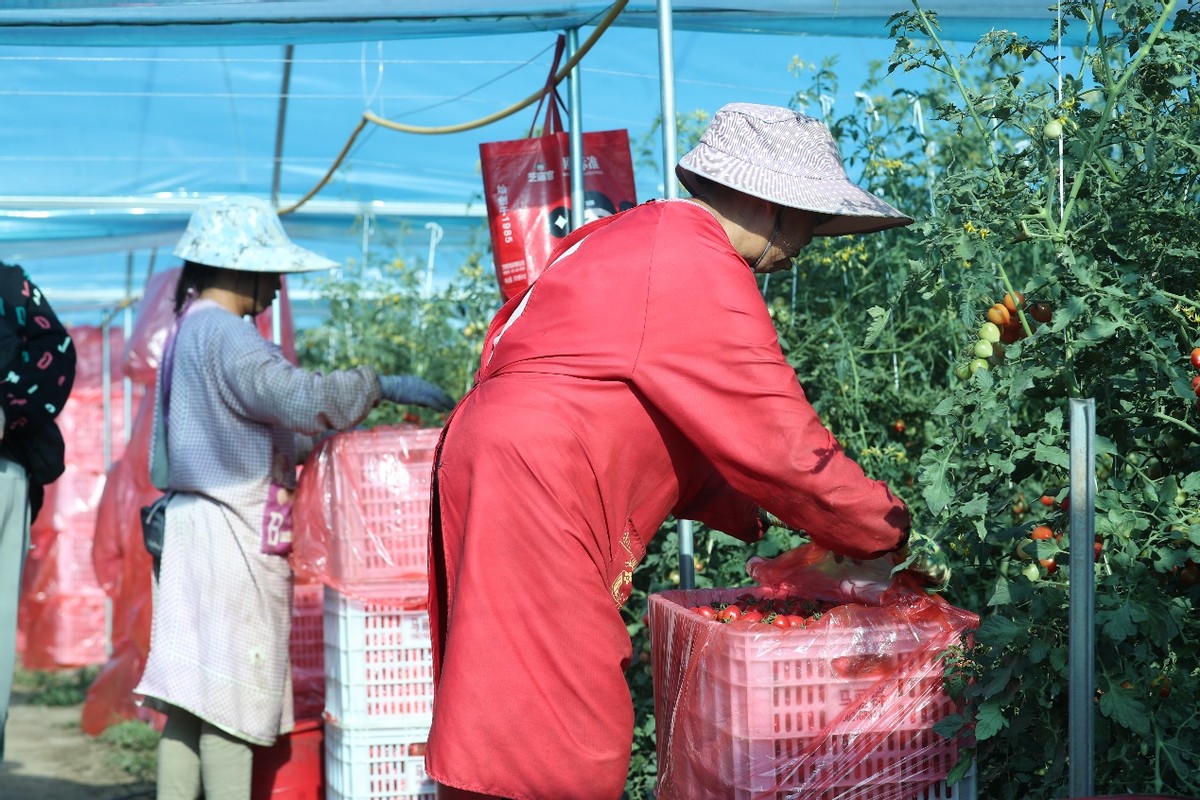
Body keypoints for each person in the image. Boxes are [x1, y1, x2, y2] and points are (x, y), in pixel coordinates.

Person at [425, 103, 924, 800]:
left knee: (510, 703)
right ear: (766, 201)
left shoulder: (642, 236)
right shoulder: (692, 259)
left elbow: (673, 423)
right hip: (535, 478)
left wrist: (768, 518)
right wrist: (879, 526)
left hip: (515, 461)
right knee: (561, 731)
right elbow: (779, 436)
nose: (809, 241)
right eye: (811, 218)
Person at [133, 195, 455, 800]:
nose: (278, 290)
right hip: (230, 536)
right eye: (271, 275)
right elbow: (295, 397)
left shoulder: (189, 330)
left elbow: (257, 424)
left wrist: (331, 435)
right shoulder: (225, 334)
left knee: (189, 700)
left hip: (193, 533)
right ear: (237, 268)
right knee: (229, 704)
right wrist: (377, 386)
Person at [0, 262, 76, 763]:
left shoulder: (8, 283)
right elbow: (55, 348)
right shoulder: (8, 283)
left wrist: (5, 409)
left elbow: (55, 350)